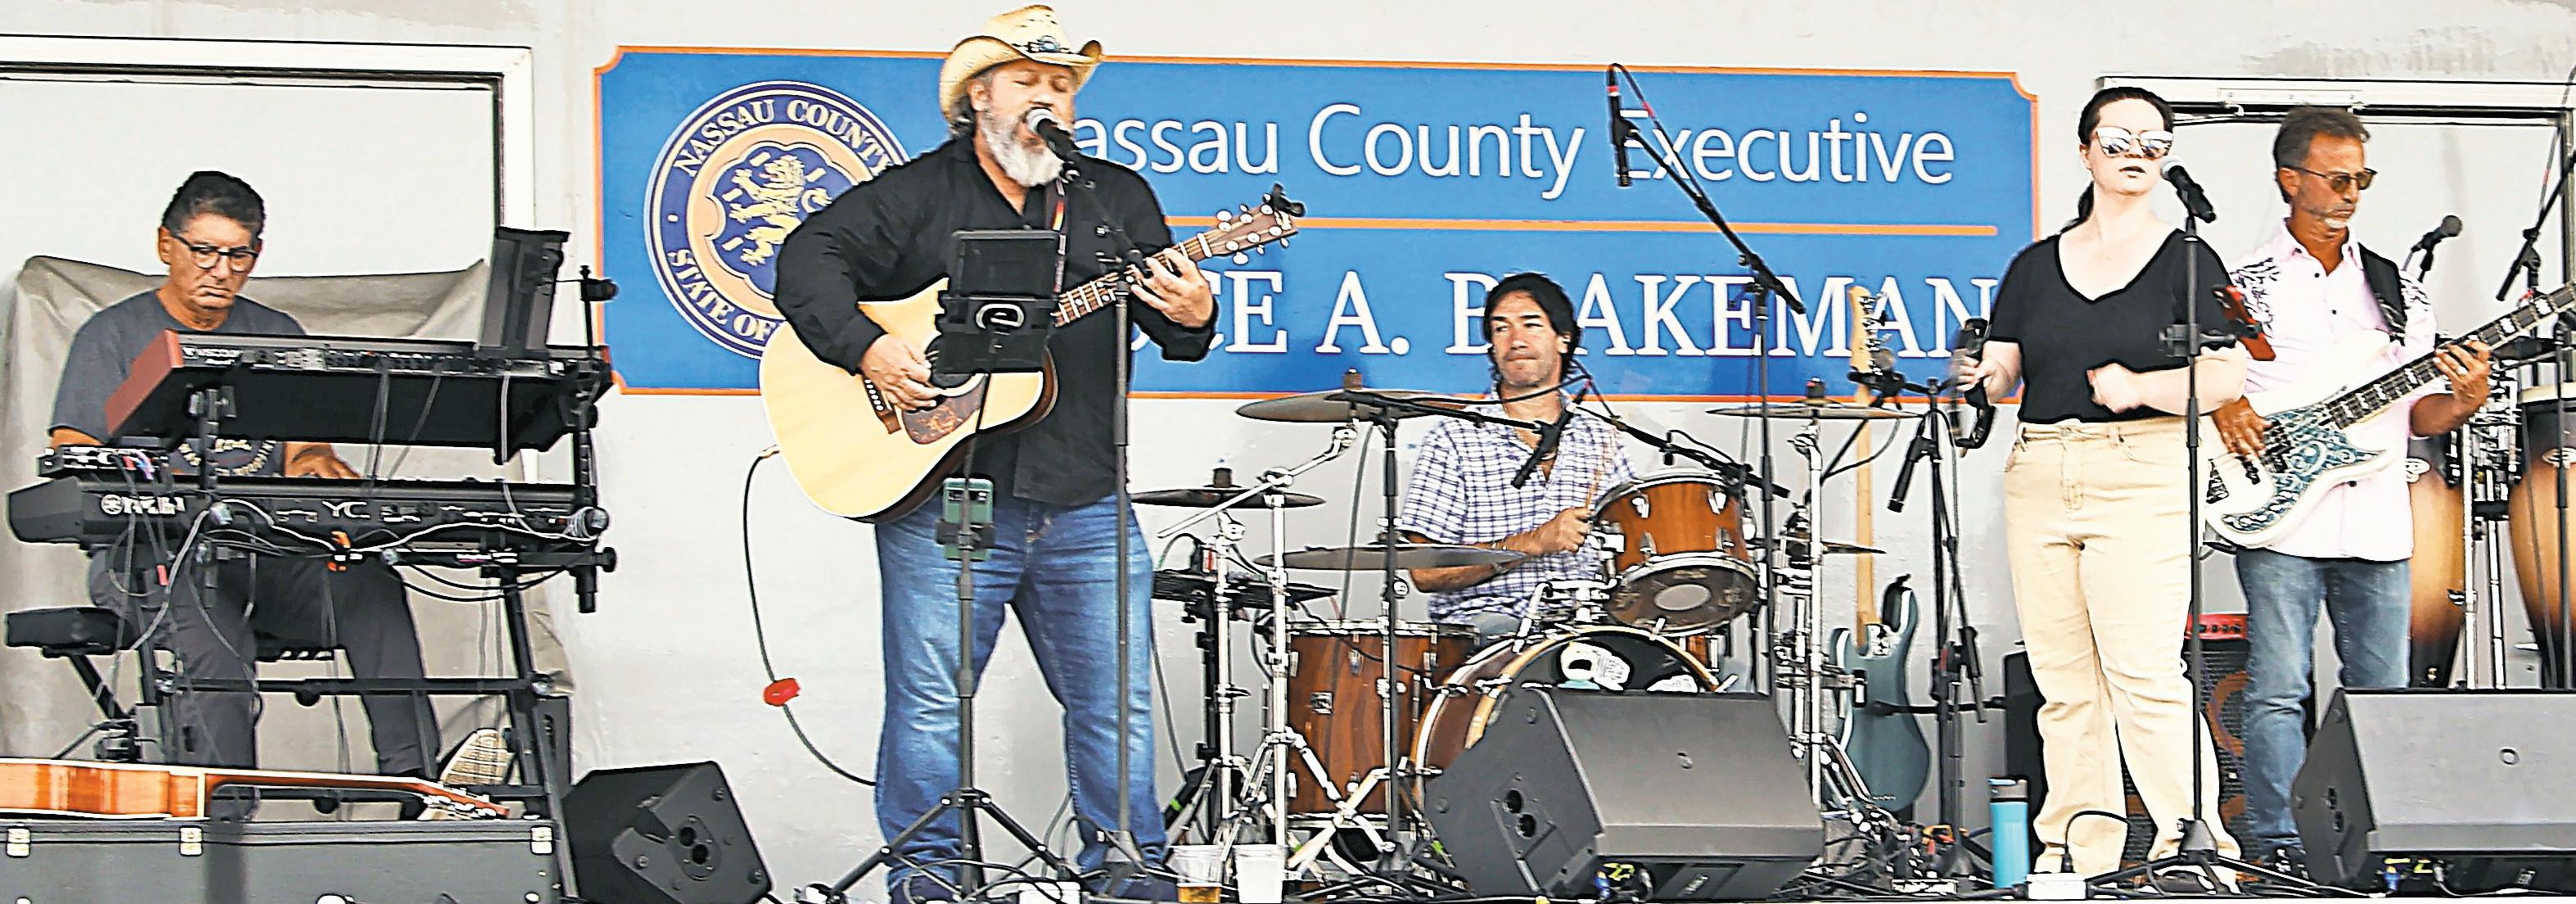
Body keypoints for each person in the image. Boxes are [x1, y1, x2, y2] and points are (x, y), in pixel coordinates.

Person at [770, 7, 1216, 902]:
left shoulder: (1112, 199)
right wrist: (869, 349)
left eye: (1061, 86)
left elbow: (1178, 330)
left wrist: (1196, 313)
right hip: (948, 494)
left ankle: (1127, 875)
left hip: (1086, 493)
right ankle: (932, 883)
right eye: (1026, 82)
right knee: (932, 705)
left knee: (1118, 705)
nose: (1047, 99)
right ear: (979, 97)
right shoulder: (918, 193)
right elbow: (806, 258)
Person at [47, 170, 437, 781]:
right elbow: (73, 449)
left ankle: (421, 787)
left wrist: (320, 474)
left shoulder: (278, 334)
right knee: (214, 645)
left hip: (264, 555)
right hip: (155, 558)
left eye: (238, 255)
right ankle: (223, 816)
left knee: (370, 588)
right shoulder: (114, 335)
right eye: (204, 251)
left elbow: (305, 452)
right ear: (166, 245)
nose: (221, 270)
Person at [1956, 87, 2249, 880]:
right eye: (2118, 138)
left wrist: (2141, 386)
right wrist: (1980, 375)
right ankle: (2075, 852)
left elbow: (2225, 374)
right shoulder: (2034, 265)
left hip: (2141, 467)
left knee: (2143, 670)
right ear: (2085, 150)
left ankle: (2193, 850)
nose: (2136, 153)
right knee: (2063, 681)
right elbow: (2006, 363)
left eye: (2154, 141)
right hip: (2041, 465)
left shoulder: (2186, 258)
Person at [2210, 106, 2492, 870]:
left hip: (2376, 517)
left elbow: (2419, 412)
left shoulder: (2397, 289)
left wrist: (2464, 398)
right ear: (2289, 180)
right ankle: (2277, 848)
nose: (2350, 194)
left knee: (2382, 693)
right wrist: (2223, 404)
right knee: (2277, 689)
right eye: (2336, 179)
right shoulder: (2241, 283)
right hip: (2279, 519)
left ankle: (2380, 846)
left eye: (2361, 178)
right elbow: (2204, 377)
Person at [1399, 273, 1633, 649]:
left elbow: (1634, 554)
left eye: (1531, 324)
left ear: (1564, 338)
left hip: (1587, 631)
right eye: (1501, 328)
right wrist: (1533, 543)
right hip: (1487, 633)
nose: (1516, 340)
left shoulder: (1602, 437)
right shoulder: (1454, 438)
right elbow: (1425, 573)